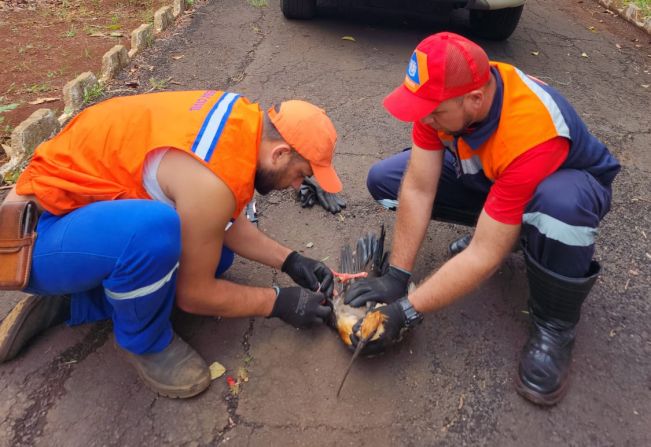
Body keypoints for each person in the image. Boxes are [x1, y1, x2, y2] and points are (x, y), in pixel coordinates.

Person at [0, 90, 340, 399]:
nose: (298, 186)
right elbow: (194, 295)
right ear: (280, 153)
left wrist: (291, 261)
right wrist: (279, 302)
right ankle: (145, 342)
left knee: (214, 257)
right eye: (302, 174)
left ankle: (77, 301)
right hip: (32, 238)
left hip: (78, 219)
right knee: (154, 232)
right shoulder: (212, 180)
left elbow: (219, 218)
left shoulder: (241, 123)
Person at [344, 33, 620, 406]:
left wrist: (406, 310)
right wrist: (397, 275)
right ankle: (512, 226)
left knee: (559, 208)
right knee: (387, 181)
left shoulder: (532, 131)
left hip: (567, 186)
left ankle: (555, 326)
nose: (425, 118)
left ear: (475, 99)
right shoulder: (442, 99)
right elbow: (419, 187)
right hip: (500, 177)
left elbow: (484, 254)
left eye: (434, 111)